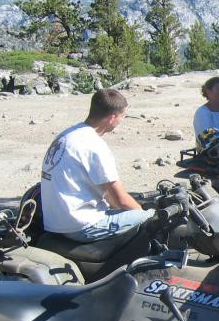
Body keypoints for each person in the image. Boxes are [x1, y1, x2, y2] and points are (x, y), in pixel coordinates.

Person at [41, 89, 154, 242]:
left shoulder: (66, 135)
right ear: (112, 117)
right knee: (152, 218)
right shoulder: (94, 145)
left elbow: (108, 195)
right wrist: (143, 214)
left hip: (55, 221)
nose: (122, 120)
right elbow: (119, 200)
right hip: (80, 225)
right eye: (123, 116)